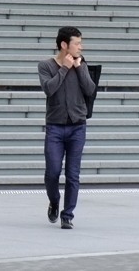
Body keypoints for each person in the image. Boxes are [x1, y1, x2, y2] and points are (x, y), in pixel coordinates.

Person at [38, 26, 97, 230]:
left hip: (77, 128)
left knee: (73, 174)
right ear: (64, 45)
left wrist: (79, 68)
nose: (81, 47)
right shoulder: (45, 66)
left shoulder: (83, 64)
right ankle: (54, 200)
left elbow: (90, 90)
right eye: (77, 43)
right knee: (52, 172)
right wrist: (64, 68)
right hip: (55, 128)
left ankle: (67, 214)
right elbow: (49, 89)